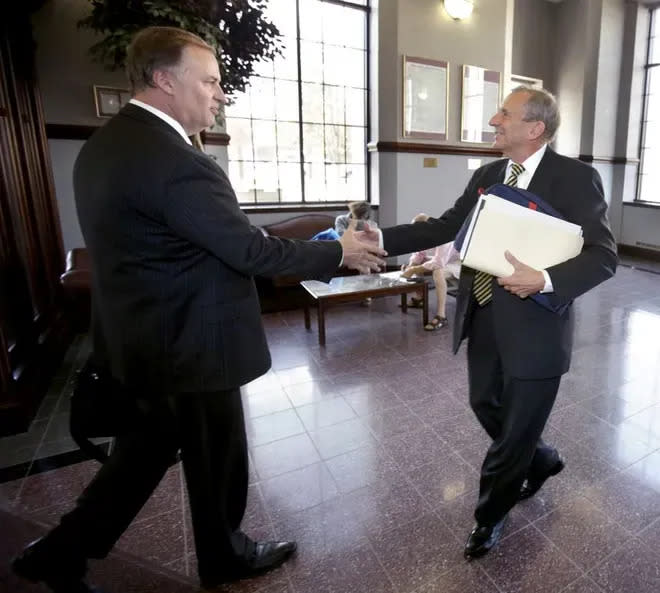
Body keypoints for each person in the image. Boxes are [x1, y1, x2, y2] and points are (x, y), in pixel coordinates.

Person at [12, 26, 386, 593]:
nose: (219, 94)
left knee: (143, 453)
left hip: (143, 337)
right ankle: (224, 555)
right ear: (165, 80)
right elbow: (248, 249)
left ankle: (62, 549)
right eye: (208, 81)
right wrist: (340, 250)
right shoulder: (174, 159)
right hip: (194, 343)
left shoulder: (106, 145)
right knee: (217, 460)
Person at [360, 86, 617, 558]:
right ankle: (542, 459)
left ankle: (490, 516)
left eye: (504, 113)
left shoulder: (576, 178)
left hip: (538, 324)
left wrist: (542, 279)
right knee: (486, 404)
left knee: (516, 429)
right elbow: (445, 226)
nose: (494, 120)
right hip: (484, 315)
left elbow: (603, 256)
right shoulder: (488, 174)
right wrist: (381, 238)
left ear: (534, 128)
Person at [400, 213, 460, 330]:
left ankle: (441, 316)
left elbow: (438, 263)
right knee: (417, 266)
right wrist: (410, 267)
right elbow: (418, 254)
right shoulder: (422, 236)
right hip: (443, 262)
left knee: (438, 271)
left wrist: (413, 269)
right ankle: (420, 298)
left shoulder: (444, 235)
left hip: (458, 263)